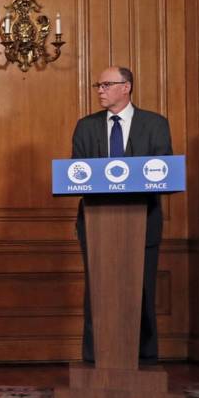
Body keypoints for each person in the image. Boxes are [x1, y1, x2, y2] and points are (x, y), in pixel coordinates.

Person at [72, 66, 172, 364]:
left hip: (144, 223)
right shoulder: (86, 126)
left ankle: (145, 358)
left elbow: (164, 170)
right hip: (96, 224)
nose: (100, 90)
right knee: (97, 293)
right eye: (98, 85)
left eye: (106, 84)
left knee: (142, 291)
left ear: (126, 87)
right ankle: (95, 360)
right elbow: (76, 171)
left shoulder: (155, 124)